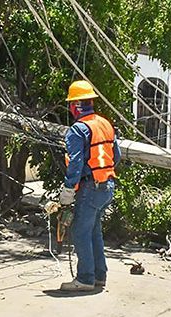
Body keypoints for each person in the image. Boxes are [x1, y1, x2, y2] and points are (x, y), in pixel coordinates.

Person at [58, 80, 121, 292]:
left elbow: (75, 162)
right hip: (107, 184)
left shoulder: (78, 129)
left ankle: (85, 278)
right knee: (94, 230)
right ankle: (99, 276)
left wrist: (68, 189)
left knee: (80, 232)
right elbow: (116, 155)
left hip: (90, 187)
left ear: (75, 105)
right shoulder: (104, 124)